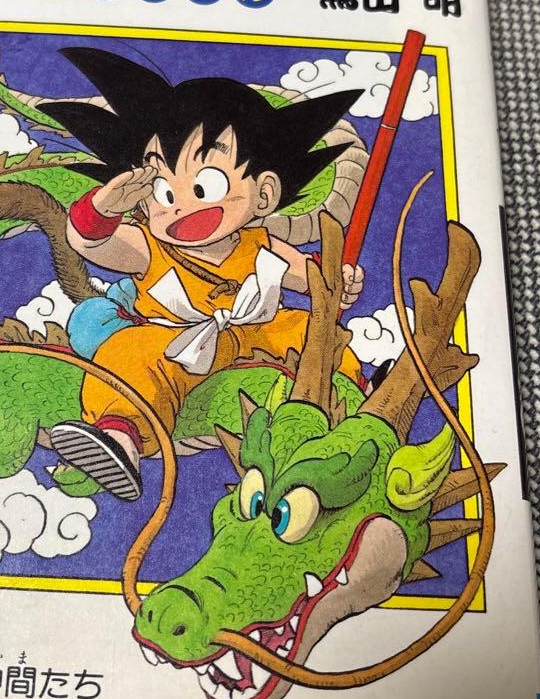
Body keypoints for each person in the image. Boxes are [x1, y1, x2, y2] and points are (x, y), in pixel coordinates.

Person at [42, 48, 367, 499]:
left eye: (204, 186)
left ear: (264, 194)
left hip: (255, 333)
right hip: (173, 338)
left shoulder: (260, 245)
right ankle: (119, 437)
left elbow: (314, 279)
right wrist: (103, 208)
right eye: (162, 189)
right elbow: (89, 243)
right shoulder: (148, 245)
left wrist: (338, 285)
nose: (179, 205)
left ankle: (357, 404)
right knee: (129, 352)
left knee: (316, 332)